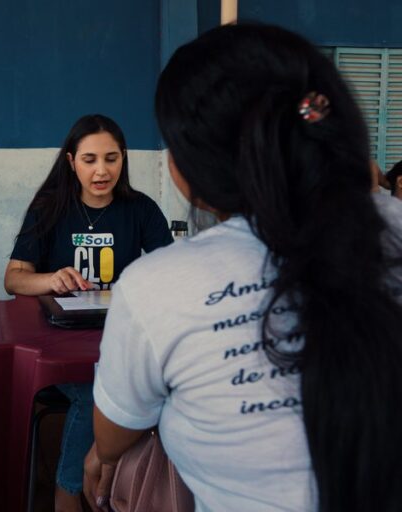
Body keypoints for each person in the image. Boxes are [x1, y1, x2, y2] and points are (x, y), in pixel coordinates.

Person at [83, 24, 402, 512]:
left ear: (187, 177)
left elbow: (110, 440)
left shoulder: (155, 286)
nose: (101, 169)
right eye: (89, 159)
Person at [5, 114, 172, 511]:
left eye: (111, 159)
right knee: (92, 393)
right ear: (71, 161)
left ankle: (119, 484)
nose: (101, 170)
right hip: (63, 347)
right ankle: (70, 492)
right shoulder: (49, 208)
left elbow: (171, 272)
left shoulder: (141, 209)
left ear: (123, 159)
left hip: (121, 345)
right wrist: (51, 279)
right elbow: (13, 279)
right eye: (90, 159)